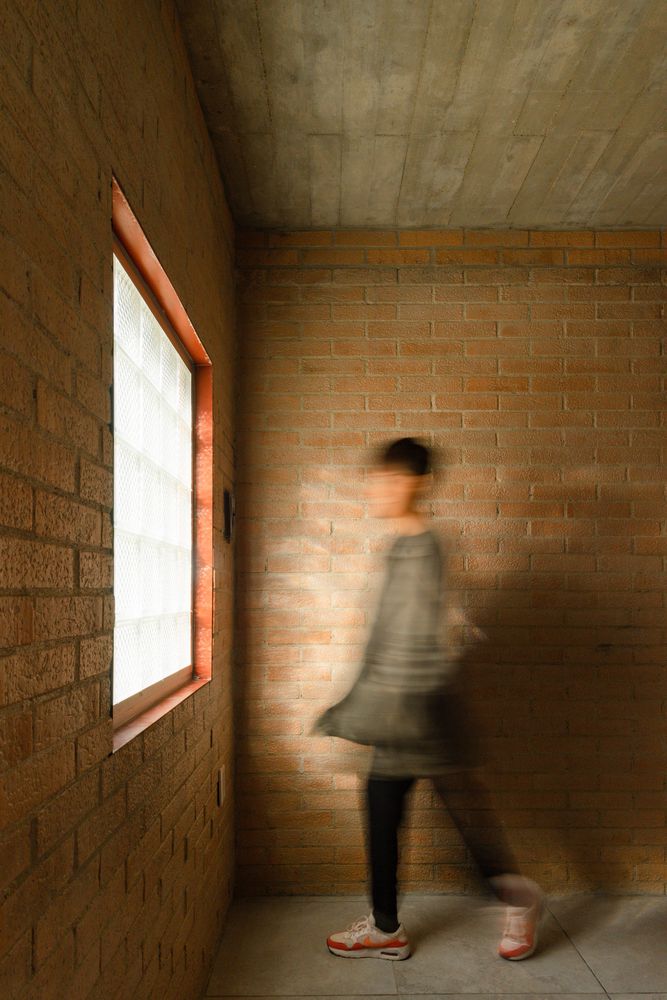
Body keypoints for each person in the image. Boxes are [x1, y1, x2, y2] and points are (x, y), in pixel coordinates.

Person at [312, 437, 543, 962]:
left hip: (416, 712)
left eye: (390, 480)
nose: (378, 489)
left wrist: (370, 710)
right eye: (376, 479)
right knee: (407, 808)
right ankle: (393, 925)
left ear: (418, 483)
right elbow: (384, 636)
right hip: (401, 710)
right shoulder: (400, 547)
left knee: (439, 811)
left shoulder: (422, 550)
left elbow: (416, 640)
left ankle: (507, 899)